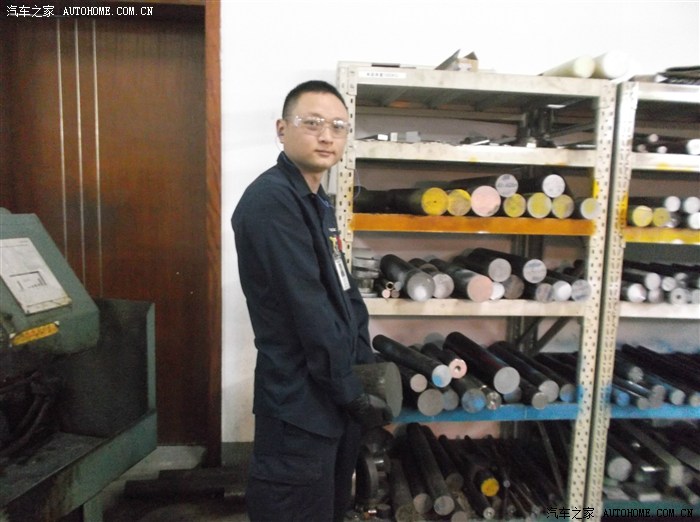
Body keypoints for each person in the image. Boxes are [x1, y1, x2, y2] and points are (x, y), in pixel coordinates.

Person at [232, 80, 392, 522]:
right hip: (300, 408)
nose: (327, 136)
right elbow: (310, 311)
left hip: (331, 402)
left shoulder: (316, 201)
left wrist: (364, 372)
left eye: (338, 126)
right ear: (282, 129)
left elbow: (343, 294)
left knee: (330, 509)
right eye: (313, 123)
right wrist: (352, 393)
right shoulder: (271, 201)